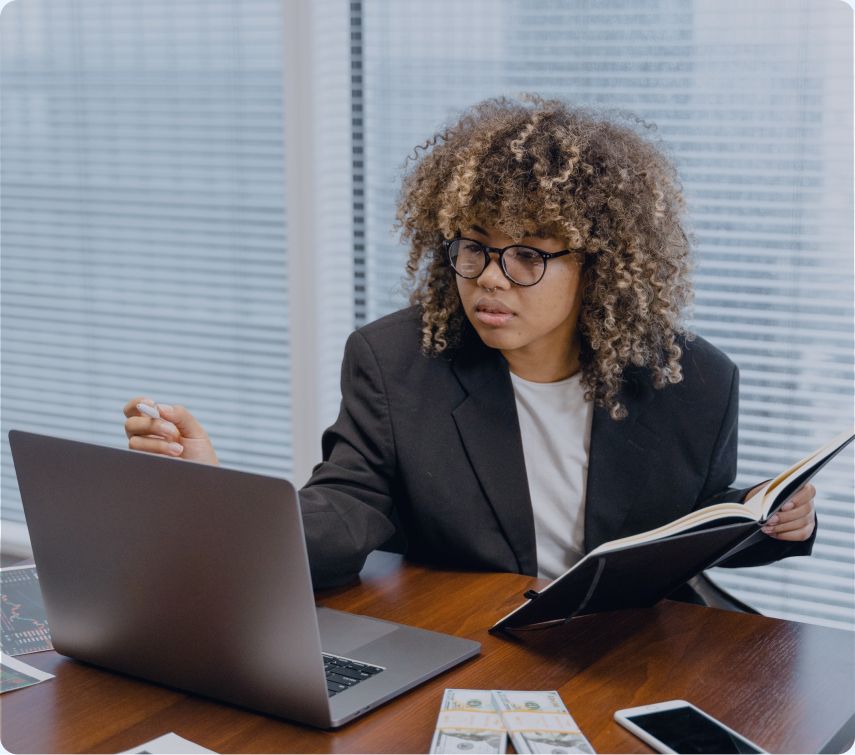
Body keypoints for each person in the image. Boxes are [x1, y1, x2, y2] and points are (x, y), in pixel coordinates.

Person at [123, 95, 816, 591]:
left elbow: (694, 528)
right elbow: (342, 510)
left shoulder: (692, 379)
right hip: (473, 636)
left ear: (597, 266)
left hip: (630, 643)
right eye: (473, 248)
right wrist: (218, 496)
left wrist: (772, 522)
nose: (489, 278)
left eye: (526, 256)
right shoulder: (396, 363)